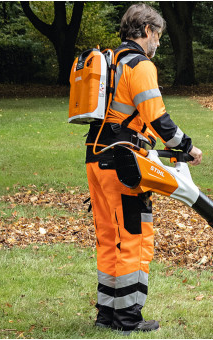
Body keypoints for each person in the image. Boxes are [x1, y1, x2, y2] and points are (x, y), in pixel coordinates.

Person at [84, 3, 202, 334]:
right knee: (134, 238)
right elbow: (157, 117)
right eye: (159, 37)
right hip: (123, 165)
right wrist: (187, 146)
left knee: (109, 238)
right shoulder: (140, 64)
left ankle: (107, 313)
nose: (159, 44)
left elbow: (122, 116)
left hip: (96, 158)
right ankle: (128, 318)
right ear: (147, 31)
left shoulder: (110, 61)